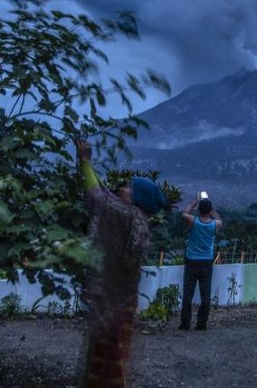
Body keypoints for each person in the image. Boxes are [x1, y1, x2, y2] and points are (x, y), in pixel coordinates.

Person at [76, 140, 166, 388]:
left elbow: (96, 196)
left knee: (102, 365)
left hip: (109, 305)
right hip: (124, 304)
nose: (123, 189)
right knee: (115, 362)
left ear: (137, 197)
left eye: (129, 187)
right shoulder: (139, 221)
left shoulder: (123, 215)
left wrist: (84, 162)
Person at [179, 195, 222, 331]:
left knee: (188, 294)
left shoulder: (193, 221)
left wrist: (196, 201)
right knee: (205, 295)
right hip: (206, 262)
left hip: (191, 261)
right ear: (209, 211)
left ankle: (185, 324)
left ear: (198, 210)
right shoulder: (215, 224)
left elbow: (184, 212)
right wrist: (211, 209)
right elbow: (219, 219)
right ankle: (201, 324)